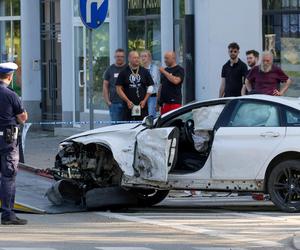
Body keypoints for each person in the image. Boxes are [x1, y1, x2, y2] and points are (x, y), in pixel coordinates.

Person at [0, 62, 28, 225]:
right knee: (8, 176)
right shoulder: (11, 94)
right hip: (7, 141)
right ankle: (8, 214)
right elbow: (22, 117)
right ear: (9, 77)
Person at [116, 51, 154, 121]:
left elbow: (151, 86)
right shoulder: (123, 72)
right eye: (134, 58)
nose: (137, 59)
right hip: (128, 106)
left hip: (142, 106)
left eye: (138, 57)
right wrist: (127, 101)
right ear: (129, 59)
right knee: (128, 127)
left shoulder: (145, 71)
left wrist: (145, 100)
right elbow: (118, 89)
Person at [103, 48, 127, 123]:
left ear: (124, 57)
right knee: (115, 127)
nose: (119, 58)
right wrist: (107, 101)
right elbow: (105, 86)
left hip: (128, 103)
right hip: (114, 103)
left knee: (128, 126)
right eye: (117, 56)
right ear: (115, 57)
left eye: (121, 56)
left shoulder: (129, 68)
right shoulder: (110, 69)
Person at [141, 50, 160, 118]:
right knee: (143, 118)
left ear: (149, 57)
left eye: (145, 56)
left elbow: (152, 81)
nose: (143, 58)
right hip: (142, 97)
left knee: (151, 118)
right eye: (142, 56)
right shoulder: (140, 69)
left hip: (152, 97)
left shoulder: (154, 68)